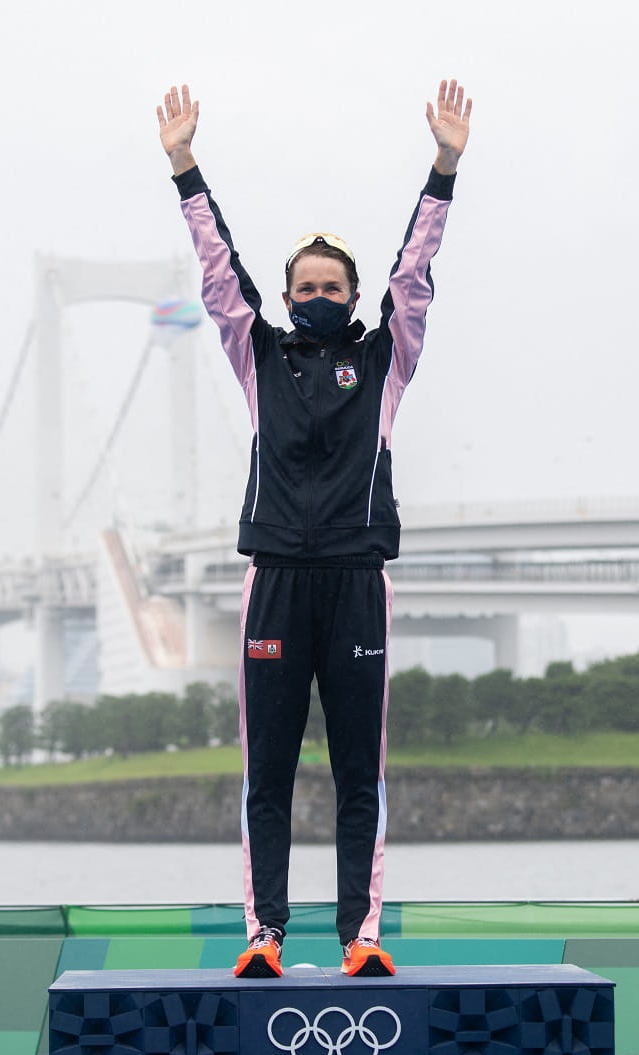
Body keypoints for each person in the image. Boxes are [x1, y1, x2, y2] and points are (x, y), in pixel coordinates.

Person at [156, 80, 473, 978]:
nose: (321, 294)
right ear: (290, 295)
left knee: (357, 775)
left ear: (355, 295)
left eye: (335, 284)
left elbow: (415, 275)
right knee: (268, 776)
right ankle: (264, 936)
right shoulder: (259, 354)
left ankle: (358, 937)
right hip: (277, 582)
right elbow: (220, 277)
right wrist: (185, 168)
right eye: (307, 285)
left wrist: (444, 167)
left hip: (357, 581)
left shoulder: (385, 360)